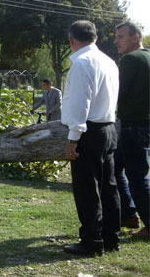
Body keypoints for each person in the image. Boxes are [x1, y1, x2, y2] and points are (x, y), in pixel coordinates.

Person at [61, 20, 120, 256]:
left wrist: (73, 138)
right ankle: (111, 237)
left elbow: (79, 103)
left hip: (90, 131)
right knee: (108, 186)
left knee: (87, 188)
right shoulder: (109, 61)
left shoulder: (82, 63)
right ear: (94, 37)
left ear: (71, 40)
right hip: (109, 127)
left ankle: (92, 241)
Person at [113, 21, 150, 238]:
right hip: (143, 124)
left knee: (137, 177)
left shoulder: (130, 59)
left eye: (121, 36)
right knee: (114, 167)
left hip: (133, 126)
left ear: (135, 37)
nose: (116, 41)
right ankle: (127, 214)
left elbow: (118, 92)